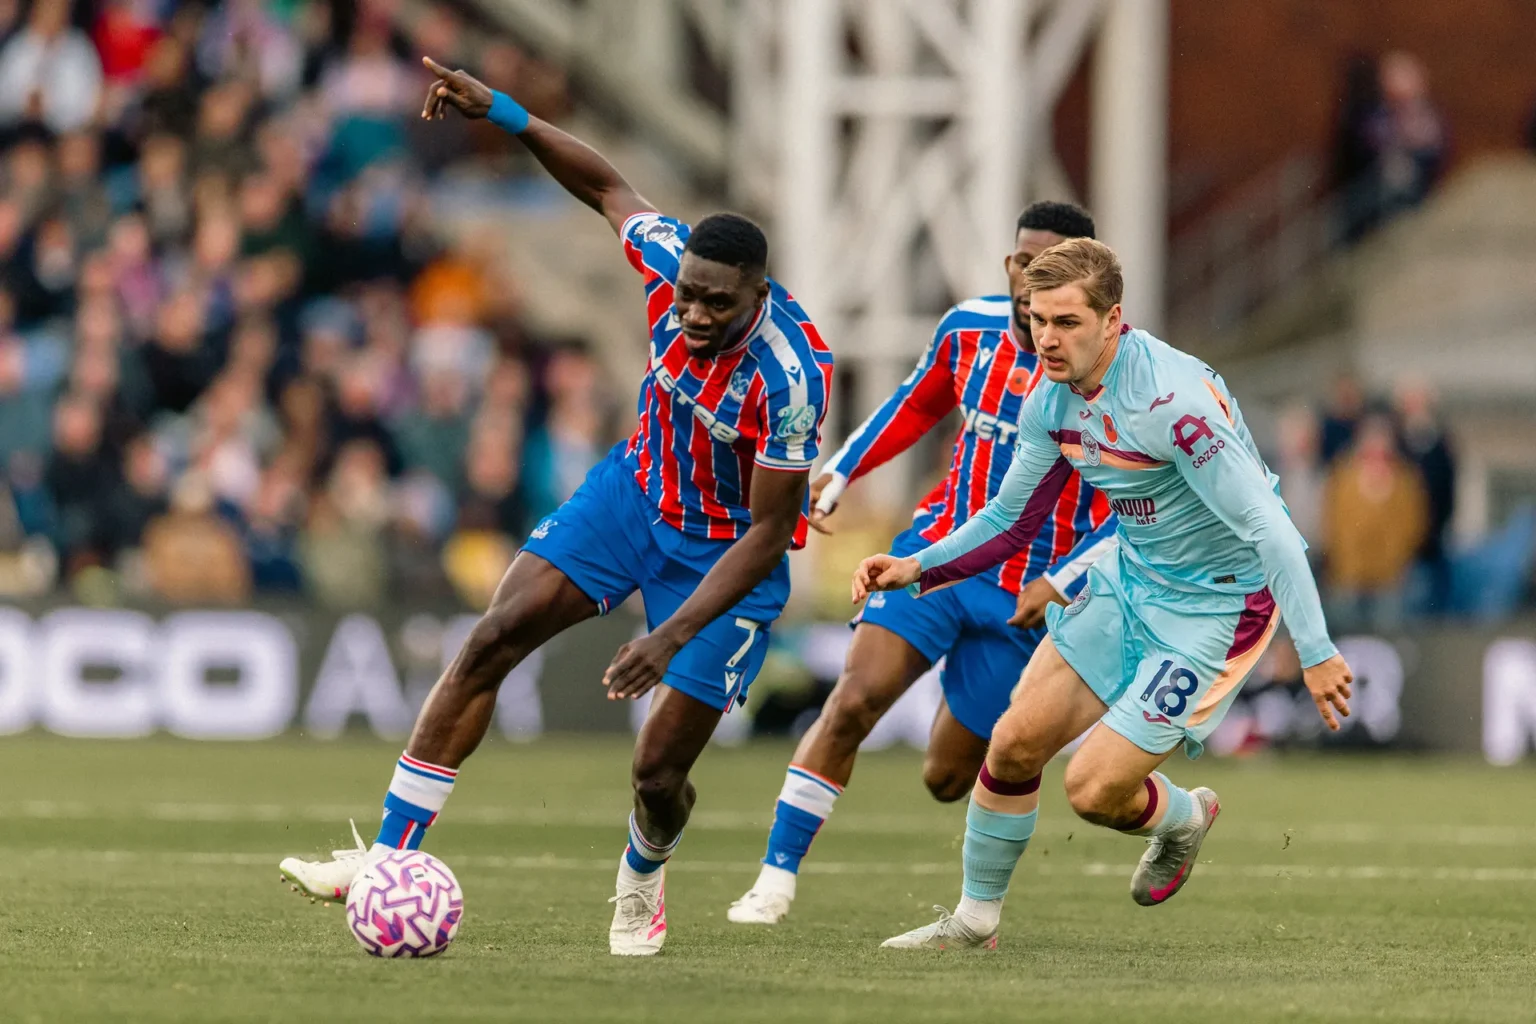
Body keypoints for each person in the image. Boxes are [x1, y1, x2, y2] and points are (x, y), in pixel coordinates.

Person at [279, 57, 834, 958]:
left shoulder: (793, 377)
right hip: (633, 493)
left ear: (758, 298)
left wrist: (667, 634)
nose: (692, 313)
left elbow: (772, 531)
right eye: (687, 294)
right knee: (492, 637)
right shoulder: (670, 262)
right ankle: (386, 858)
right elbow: (606, 183)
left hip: (723, 551)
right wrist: (500, 110)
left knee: (658, 772)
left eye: (715, 304)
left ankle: (642, 875)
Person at [852, 238, 1352, 949]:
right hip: (1130, 578)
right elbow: (1008, 520)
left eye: (1066, 323)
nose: (1046, 340)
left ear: (1113, 320)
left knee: (1092, 792)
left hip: (1215, 609)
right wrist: (917, 568)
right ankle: (973, 922)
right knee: (1015, 742)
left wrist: (1317, 650)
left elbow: (1271, 529)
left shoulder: (1173, 404)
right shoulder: (1050, 398)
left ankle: (1182, 819)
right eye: (1036, 320)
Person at [727, 202, 1116, 926]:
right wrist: (840, 472)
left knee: (946, 776)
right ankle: (774, 878)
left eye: (1061, 270)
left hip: (1026, 595)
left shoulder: (1117, 372)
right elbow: (915, 404)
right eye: (1031, 265)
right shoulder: (967, 329)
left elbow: (1135, 506)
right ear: (1011, 266)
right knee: (855, 697)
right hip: (935, 558)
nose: (1040, 282)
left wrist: (1070, 578)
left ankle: (966, 706)